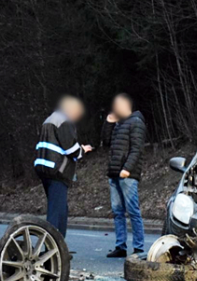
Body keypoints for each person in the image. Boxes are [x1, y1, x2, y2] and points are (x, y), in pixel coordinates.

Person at [34, 95, 92, 236]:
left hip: (44, 170)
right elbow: (71, 149)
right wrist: (83, 150)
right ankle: (52, 250)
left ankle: (59, 248)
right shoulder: (64, 121)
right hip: (57, 171)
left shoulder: (49, 120)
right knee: (56, 212)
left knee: (60, 209)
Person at [102, 93, 146, 258]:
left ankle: (139, 248)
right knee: (117, 211)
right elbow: (106, 142)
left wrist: (127, 168)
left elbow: (137, 149)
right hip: (114, 173)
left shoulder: (136, 122)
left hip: (127, 174)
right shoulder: (119, 124)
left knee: (133, 211)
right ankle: (120, 246)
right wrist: (108, 123)